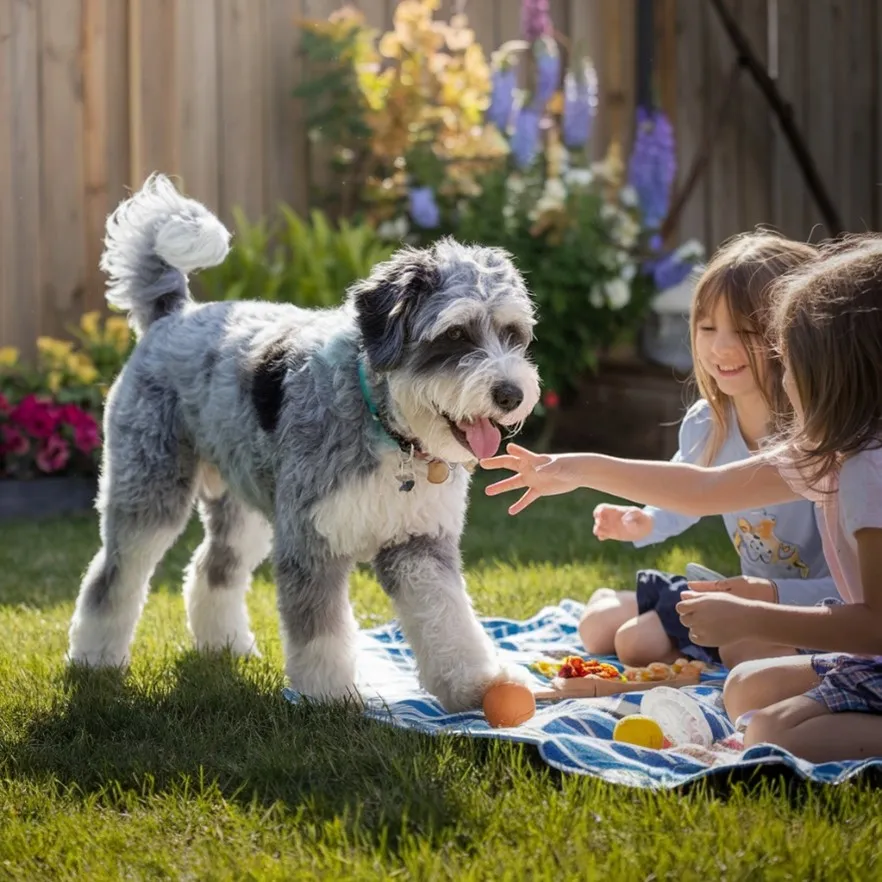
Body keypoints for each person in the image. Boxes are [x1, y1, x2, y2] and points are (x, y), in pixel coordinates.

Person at [482, 234, 882, 762]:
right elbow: (703, 489)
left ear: (842, 375)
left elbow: (873, 623)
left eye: (791, 362)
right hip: (865, 660)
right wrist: (574, 469)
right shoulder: (826, 451)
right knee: (742, 689)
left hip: (865, 648)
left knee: (769, 735)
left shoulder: (866, 471)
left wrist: (753, 614)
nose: (786, 381)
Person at [579, 232, 837, 670]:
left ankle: (679, 630)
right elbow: (686, 494)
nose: (721, 348)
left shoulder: (822, 441)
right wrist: (644, 520)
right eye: (707, 327)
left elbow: (856, 592)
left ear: (795, 333)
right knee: (596, 626)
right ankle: (654, 611)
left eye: (746, 330)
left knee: (645, 646)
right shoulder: (709, 424)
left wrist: (759, 601)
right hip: (739, 596)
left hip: (811, 612)